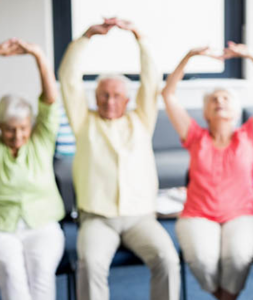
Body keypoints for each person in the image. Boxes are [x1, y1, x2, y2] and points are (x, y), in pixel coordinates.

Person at [58, 19, 180, 300]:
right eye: (103, 96)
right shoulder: (83, 122)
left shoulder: (141, 120)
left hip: (141, 218)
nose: (110, 102)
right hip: (97, 219)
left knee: (167, 259)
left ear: (127, 99)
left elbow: (151, 81)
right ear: (95, 98)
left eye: (116, 96)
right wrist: (86, 37)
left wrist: (140, 37)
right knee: (89, 264)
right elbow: (68, 78)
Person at [161, 42, 253, 300]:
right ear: (207, 113)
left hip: (244, 215)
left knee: (237, 256)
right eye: (214, 99)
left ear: (235, 111)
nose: (220, 101)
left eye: (226, 98)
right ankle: (219, 294)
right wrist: (188, 56)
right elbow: (168, 94)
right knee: (202, 259)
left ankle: (227, 296)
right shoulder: (195, 136)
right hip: (198, 215)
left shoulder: (248, 135)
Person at [0, 38, 65, 300]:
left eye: (23, 127)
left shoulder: (41, 141)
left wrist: (38, 57)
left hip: (42, 226)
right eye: (10, 129)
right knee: (14, 278)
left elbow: (50, 101)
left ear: (30, 124)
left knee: (42, 274)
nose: (17, 134)